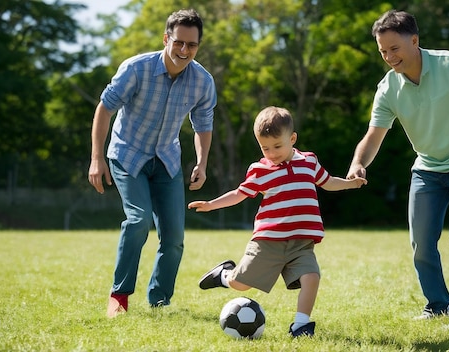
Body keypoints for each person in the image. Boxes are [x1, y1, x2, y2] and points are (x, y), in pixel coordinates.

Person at [347, 10, 449, 327]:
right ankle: (437, 304)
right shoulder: (388, 88)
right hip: (428, 169)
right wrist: (358, 163)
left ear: (415, 40)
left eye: (394, 48)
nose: (389, 57)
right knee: (421, 243)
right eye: (383, 51)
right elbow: (373, 135)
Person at [188, 106, 367, 337]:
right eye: (265, 148)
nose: (271, 153)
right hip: (268, 241)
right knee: (240, 284)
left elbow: (328, 182)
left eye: (277, 146)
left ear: (292, 139)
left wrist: (349, 183)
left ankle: (300, 326)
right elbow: (239, 194)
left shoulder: (309, 161)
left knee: (312, 277)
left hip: (301, 242)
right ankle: (224, 275)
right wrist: (212, 204)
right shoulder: (261, 170)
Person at [88, 8, 217, 318]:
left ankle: (159, 301)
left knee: (174, 237)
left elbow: (203, 124)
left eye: (192, 45)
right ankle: (119, 297)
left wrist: (201, 162)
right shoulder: (136, 69)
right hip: (127, 154)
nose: (184, 51)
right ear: (166, 38)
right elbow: (104, 110)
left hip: (166, 160)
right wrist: (96, 158)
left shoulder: (202, 81)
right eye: (179, 43)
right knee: (138, 220)